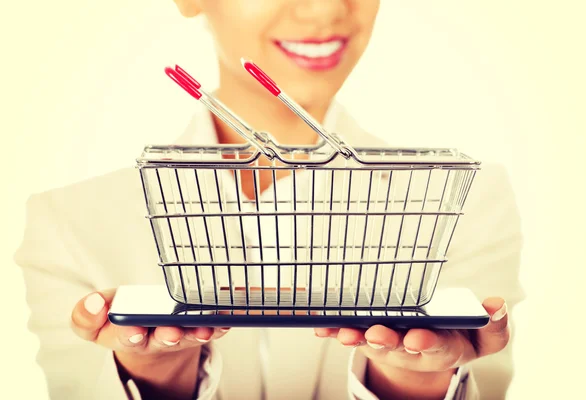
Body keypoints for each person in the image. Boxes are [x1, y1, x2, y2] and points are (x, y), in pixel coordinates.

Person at [14, 1, 524, 399]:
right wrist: (154, 375)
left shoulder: (464, 202)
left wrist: (414, 382)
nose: (326, 9)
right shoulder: (68, 225)